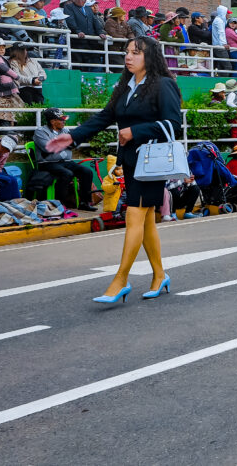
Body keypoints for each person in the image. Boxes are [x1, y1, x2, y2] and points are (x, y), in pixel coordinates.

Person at [45, 36, 183, 304]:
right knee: (144, 220)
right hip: (131, 162)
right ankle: (159, 275)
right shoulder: (125, 86)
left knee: (134, 215)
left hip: (152, 162)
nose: (129, 57)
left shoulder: (164, 85)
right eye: (127, 52)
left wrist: (135, 131)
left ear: (150, 57)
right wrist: (72, 137)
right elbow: (105, 117)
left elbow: (173, 124)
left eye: (136, 53)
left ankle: (121, 279)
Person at [33, 107, 97, 211]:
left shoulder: (65, 130)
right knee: (67, 174)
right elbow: (48, 148)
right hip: (48, 163)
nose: (64, 121)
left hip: (65, 162)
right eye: (61, 119)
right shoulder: (41, 132)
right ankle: (60, 205)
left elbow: (75, 145)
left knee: (87, 172)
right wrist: (67, 143)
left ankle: (84, 202)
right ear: (53, 121)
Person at [62, 0, 107, 68]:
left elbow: (94, 20)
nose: (80, 0)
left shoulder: (88, 9)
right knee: (78, 64)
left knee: (95, 64)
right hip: (77, 41)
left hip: (91, 41)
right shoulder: (69, 7)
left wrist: (100, 32)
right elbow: (70, 20)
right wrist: (77, 31)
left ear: (85, 0)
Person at [210, 6, 229, 70]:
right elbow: (221, 32)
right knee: (228, 67)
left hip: (219, 46)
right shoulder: (219, 21)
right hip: (220, 47)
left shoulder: (221, 20)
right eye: (227, 13)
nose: (228, 15)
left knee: (221, 66)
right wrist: (224, 43)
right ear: (223, 13)